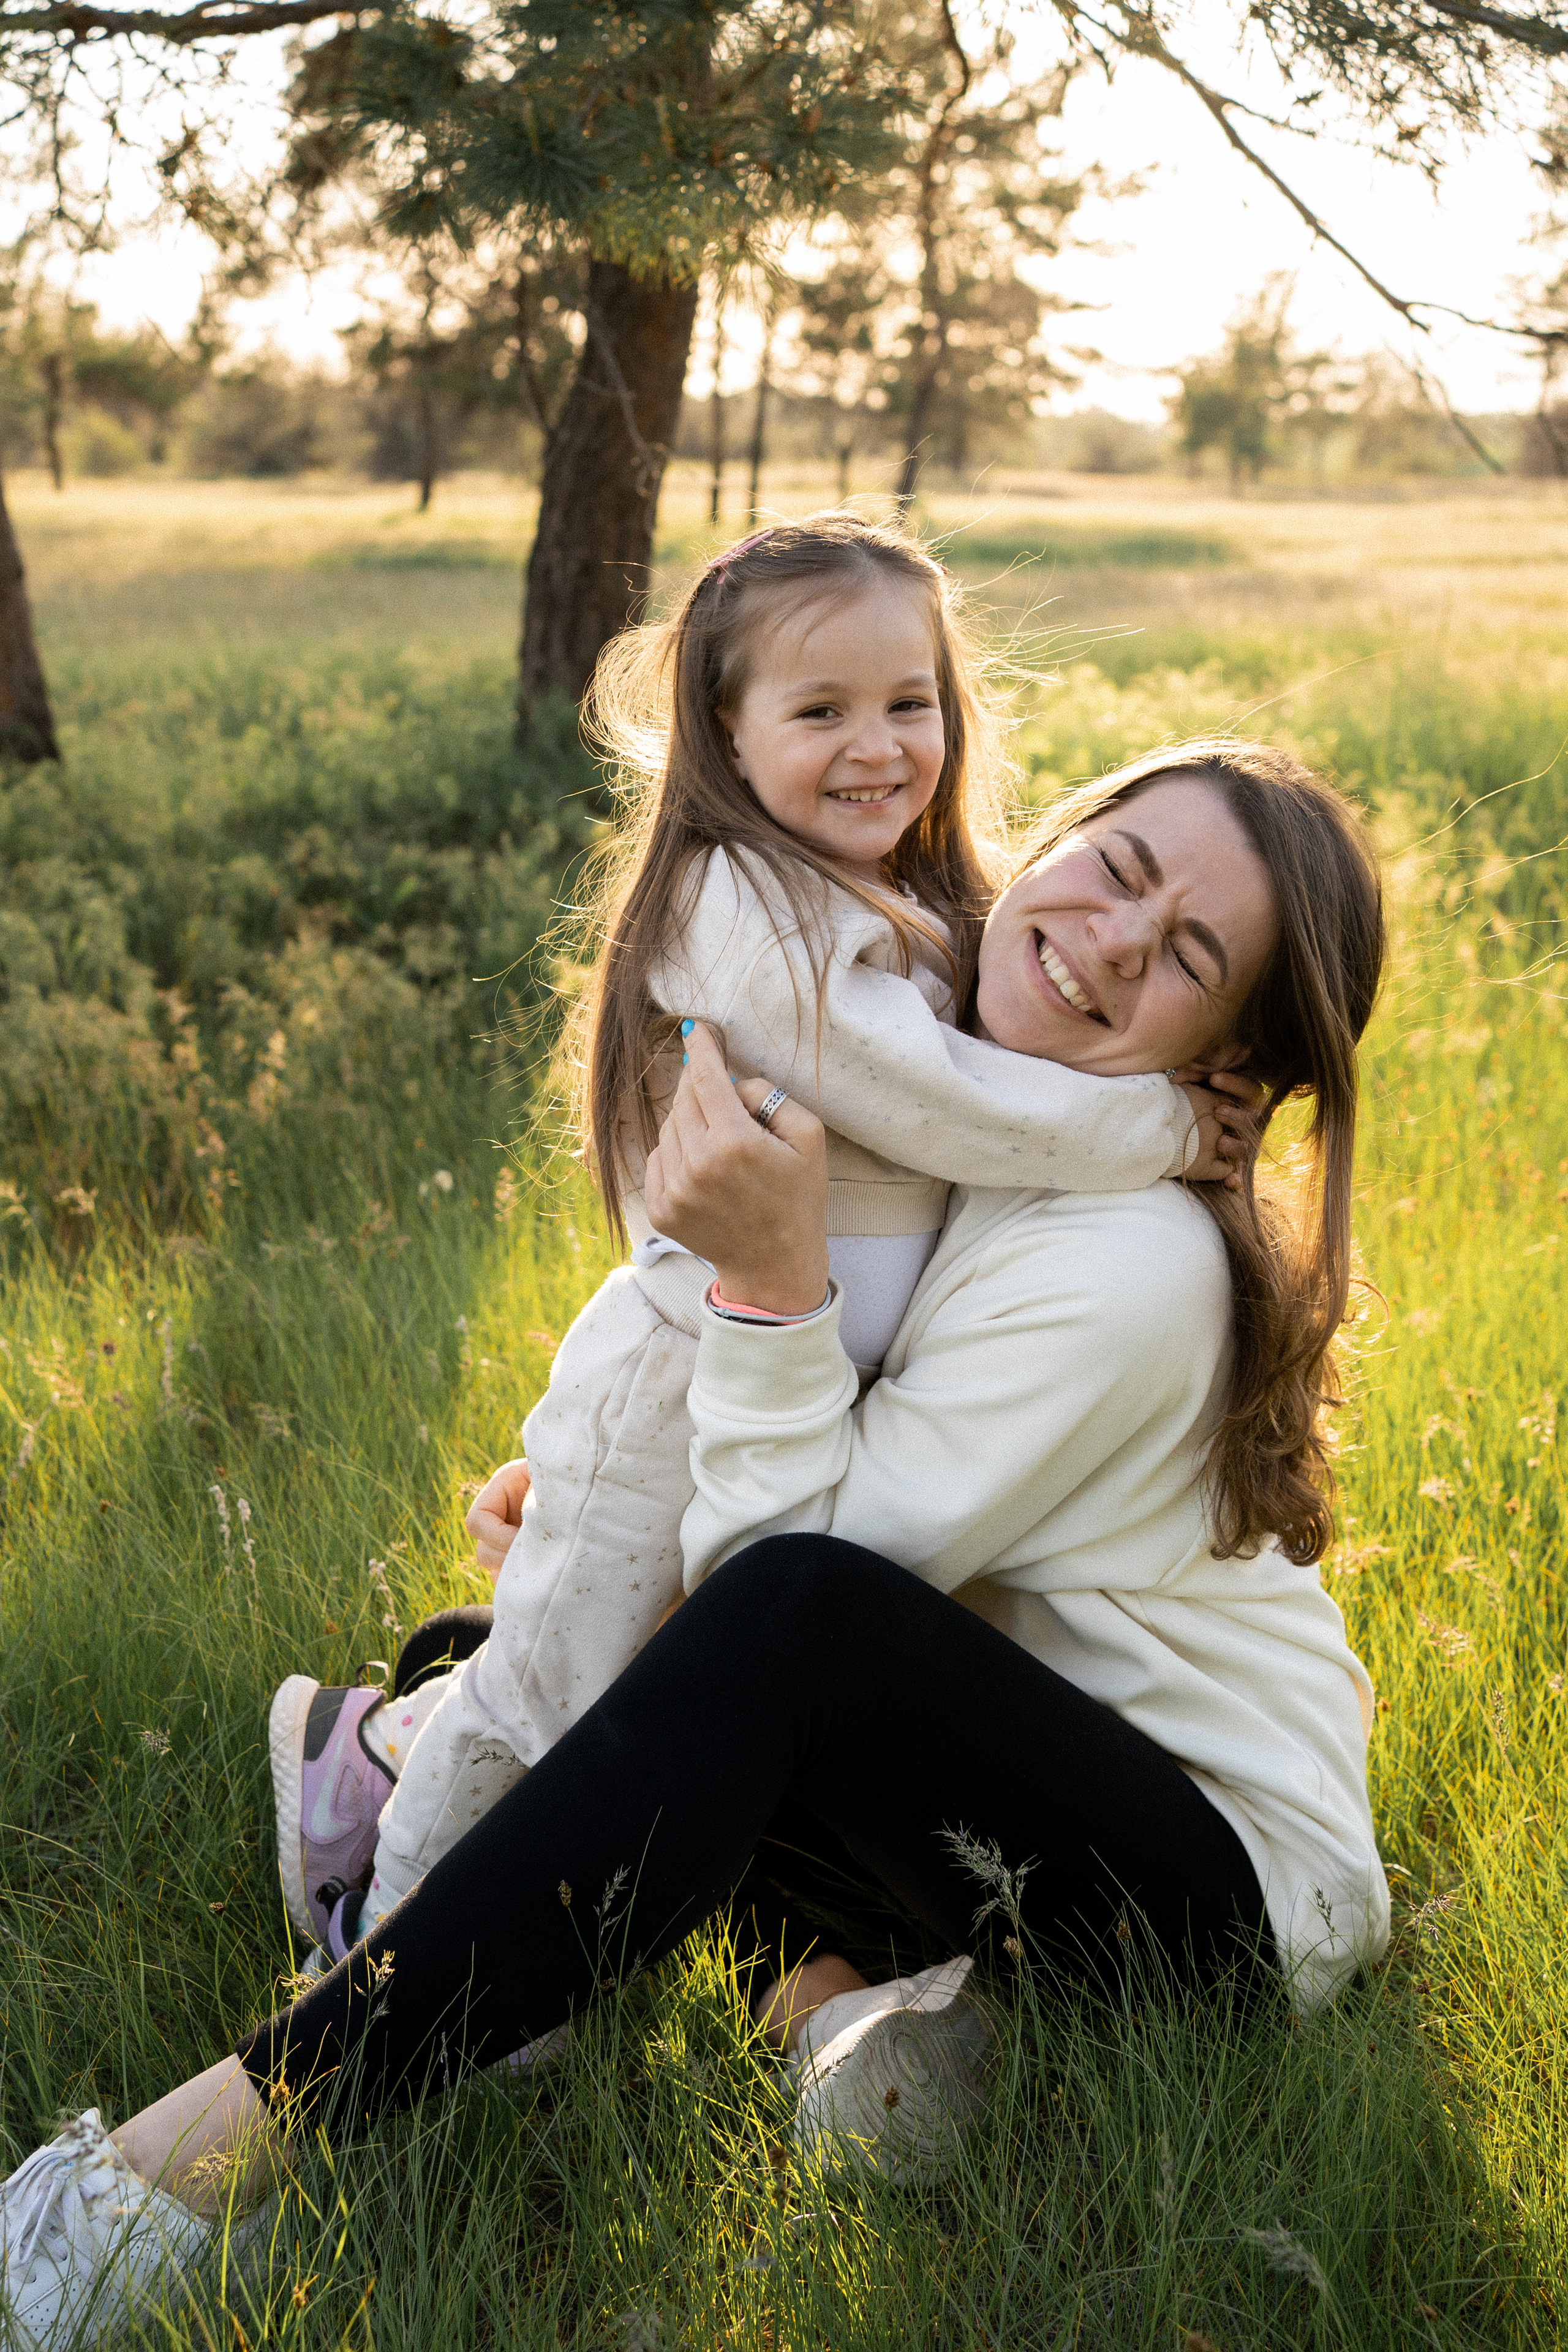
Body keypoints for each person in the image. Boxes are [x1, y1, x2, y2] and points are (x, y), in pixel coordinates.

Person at [0, 740, 1390, 2351]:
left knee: (711, 1657)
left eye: (1192, 956)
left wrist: (774, 1284)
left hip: (1212, 1907)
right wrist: (598, 1511)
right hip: (1014, 1793)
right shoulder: (985, 1116)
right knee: (519, 1660)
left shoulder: (1133, 1260)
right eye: (1120, 864)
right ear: (1060, 832)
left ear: (1234, 1059)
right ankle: (855, 2018)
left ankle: (167, 2185)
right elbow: (805, 1530)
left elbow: (787, 1601)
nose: (1114, 936)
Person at [268, 513, 1249, 1972]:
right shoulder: (738, 906)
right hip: (681, 1378)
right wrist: (1162, 1129)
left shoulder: (896, 900)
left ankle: (383, 1786)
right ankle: (383, 1935)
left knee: (630, 1693)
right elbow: (938, 1100)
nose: (878, 745)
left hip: (786, 1384)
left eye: (908, 703)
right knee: (551, 1693)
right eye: (819, 710)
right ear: (723, 735)